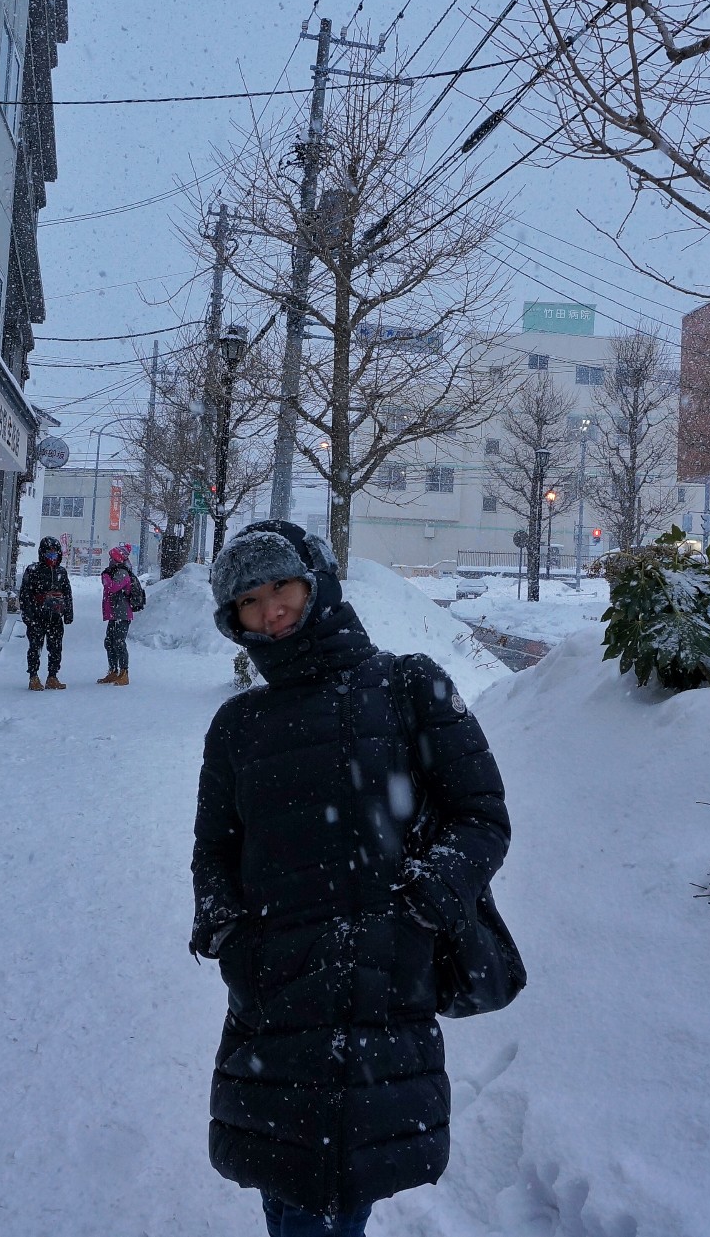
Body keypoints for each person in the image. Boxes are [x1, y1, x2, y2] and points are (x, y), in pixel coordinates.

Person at [191, 521, 510, 1237]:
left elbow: (482, 816)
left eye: (282, 587)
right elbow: (214, 849)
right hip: (272, 998)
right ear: (233, 619)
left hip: (380, 988)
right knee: (287, 1185)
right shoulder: (238, 725)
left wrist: (427, 898)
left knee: (329, 1197)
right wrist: (228, 933)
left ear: (318, 582)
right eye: (250, 601)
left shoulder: (408, 685)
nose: (271, 610)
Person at [17, 535, 73, 690]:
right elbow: (25, 594)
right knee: (35, 647)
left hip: (55, 617)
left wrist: (68, 613)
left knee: (56, 647)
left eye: (55, 552)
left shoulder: (61, 572)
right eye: (49, 552)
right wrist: (28, 614)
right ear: (42, 552)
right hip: (37, 617)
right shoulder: (33, 570)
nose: (52, 555)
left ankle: (52, 676)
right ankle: (33, 677)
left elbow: (67, 593)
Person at [97, 543, 145, 685]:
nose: (110, 560)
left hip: (122, 614)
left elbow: (112, 588)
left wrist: (105, 577)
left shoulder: (122, 572)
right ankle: (113, 670)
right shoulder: (115, 570)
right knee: (109, 642)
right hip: (115, 613)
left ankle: (123, 672)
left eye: (112, 557)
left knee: (118, 642)